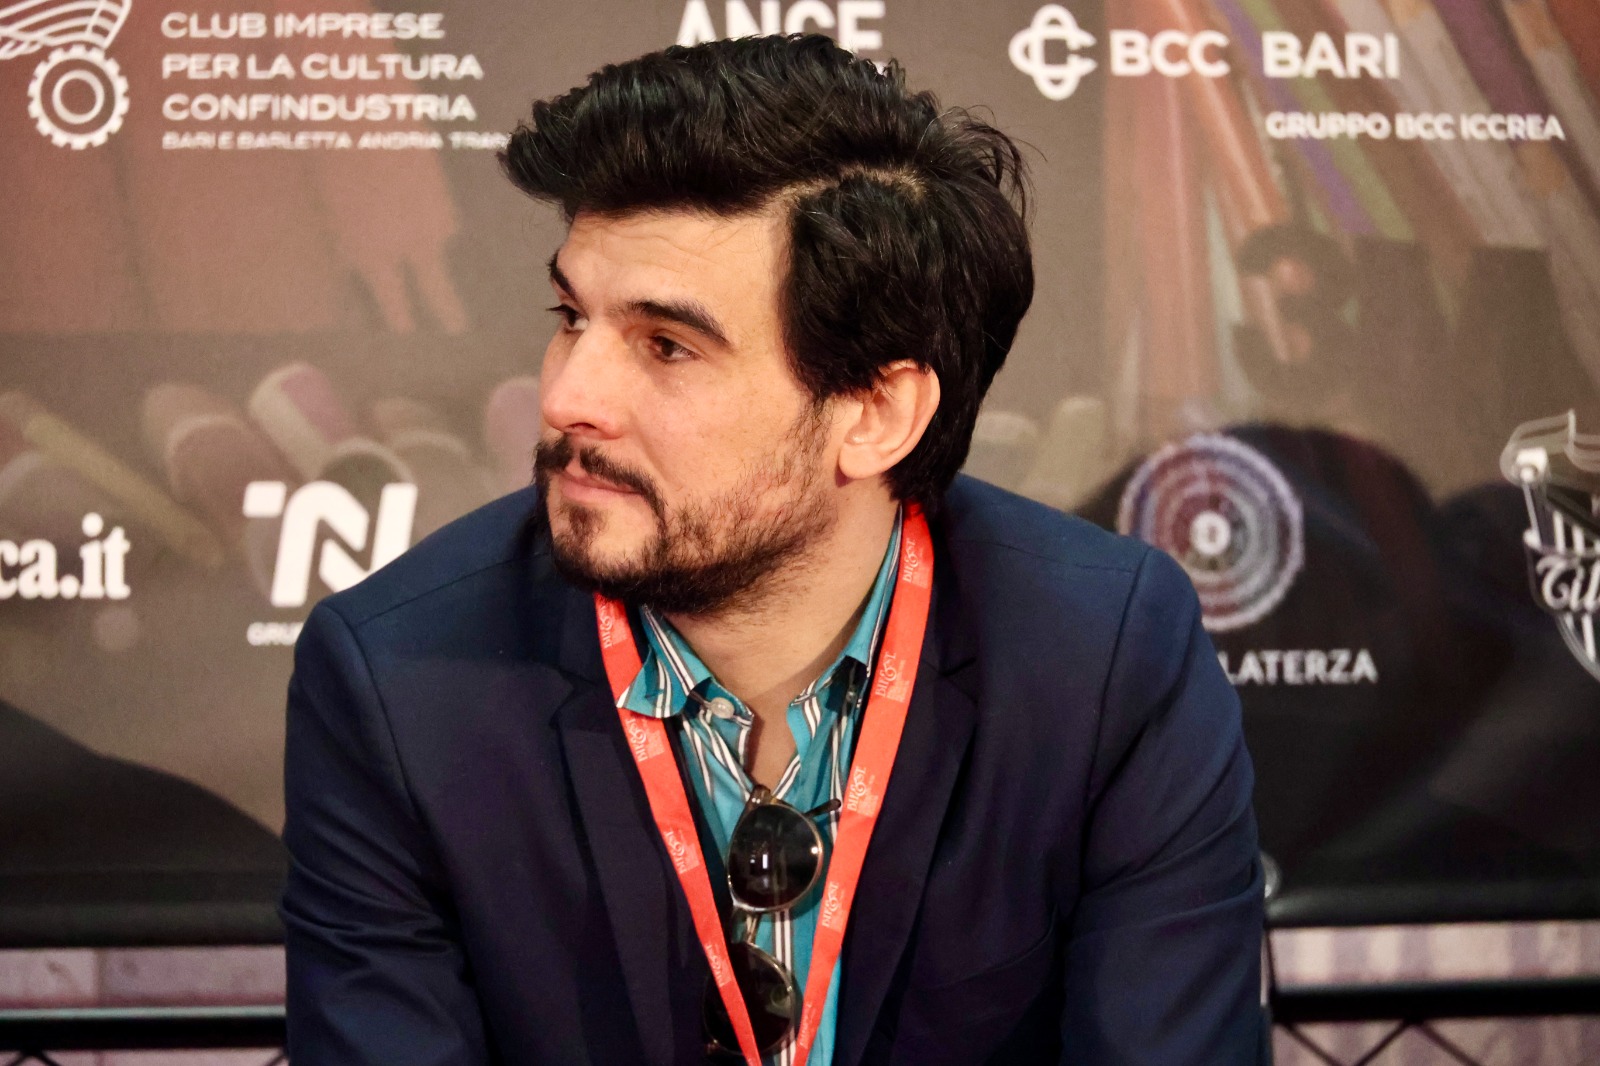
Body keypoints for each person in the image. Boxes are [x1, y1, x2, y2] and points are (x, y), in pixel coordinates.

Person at [279, 34, 1263, 1065]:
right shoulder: (397, 682)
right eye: (571, 317)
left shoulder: (1104, 659)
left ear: (875, 414)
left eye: (667, 346)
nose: (567, 395)